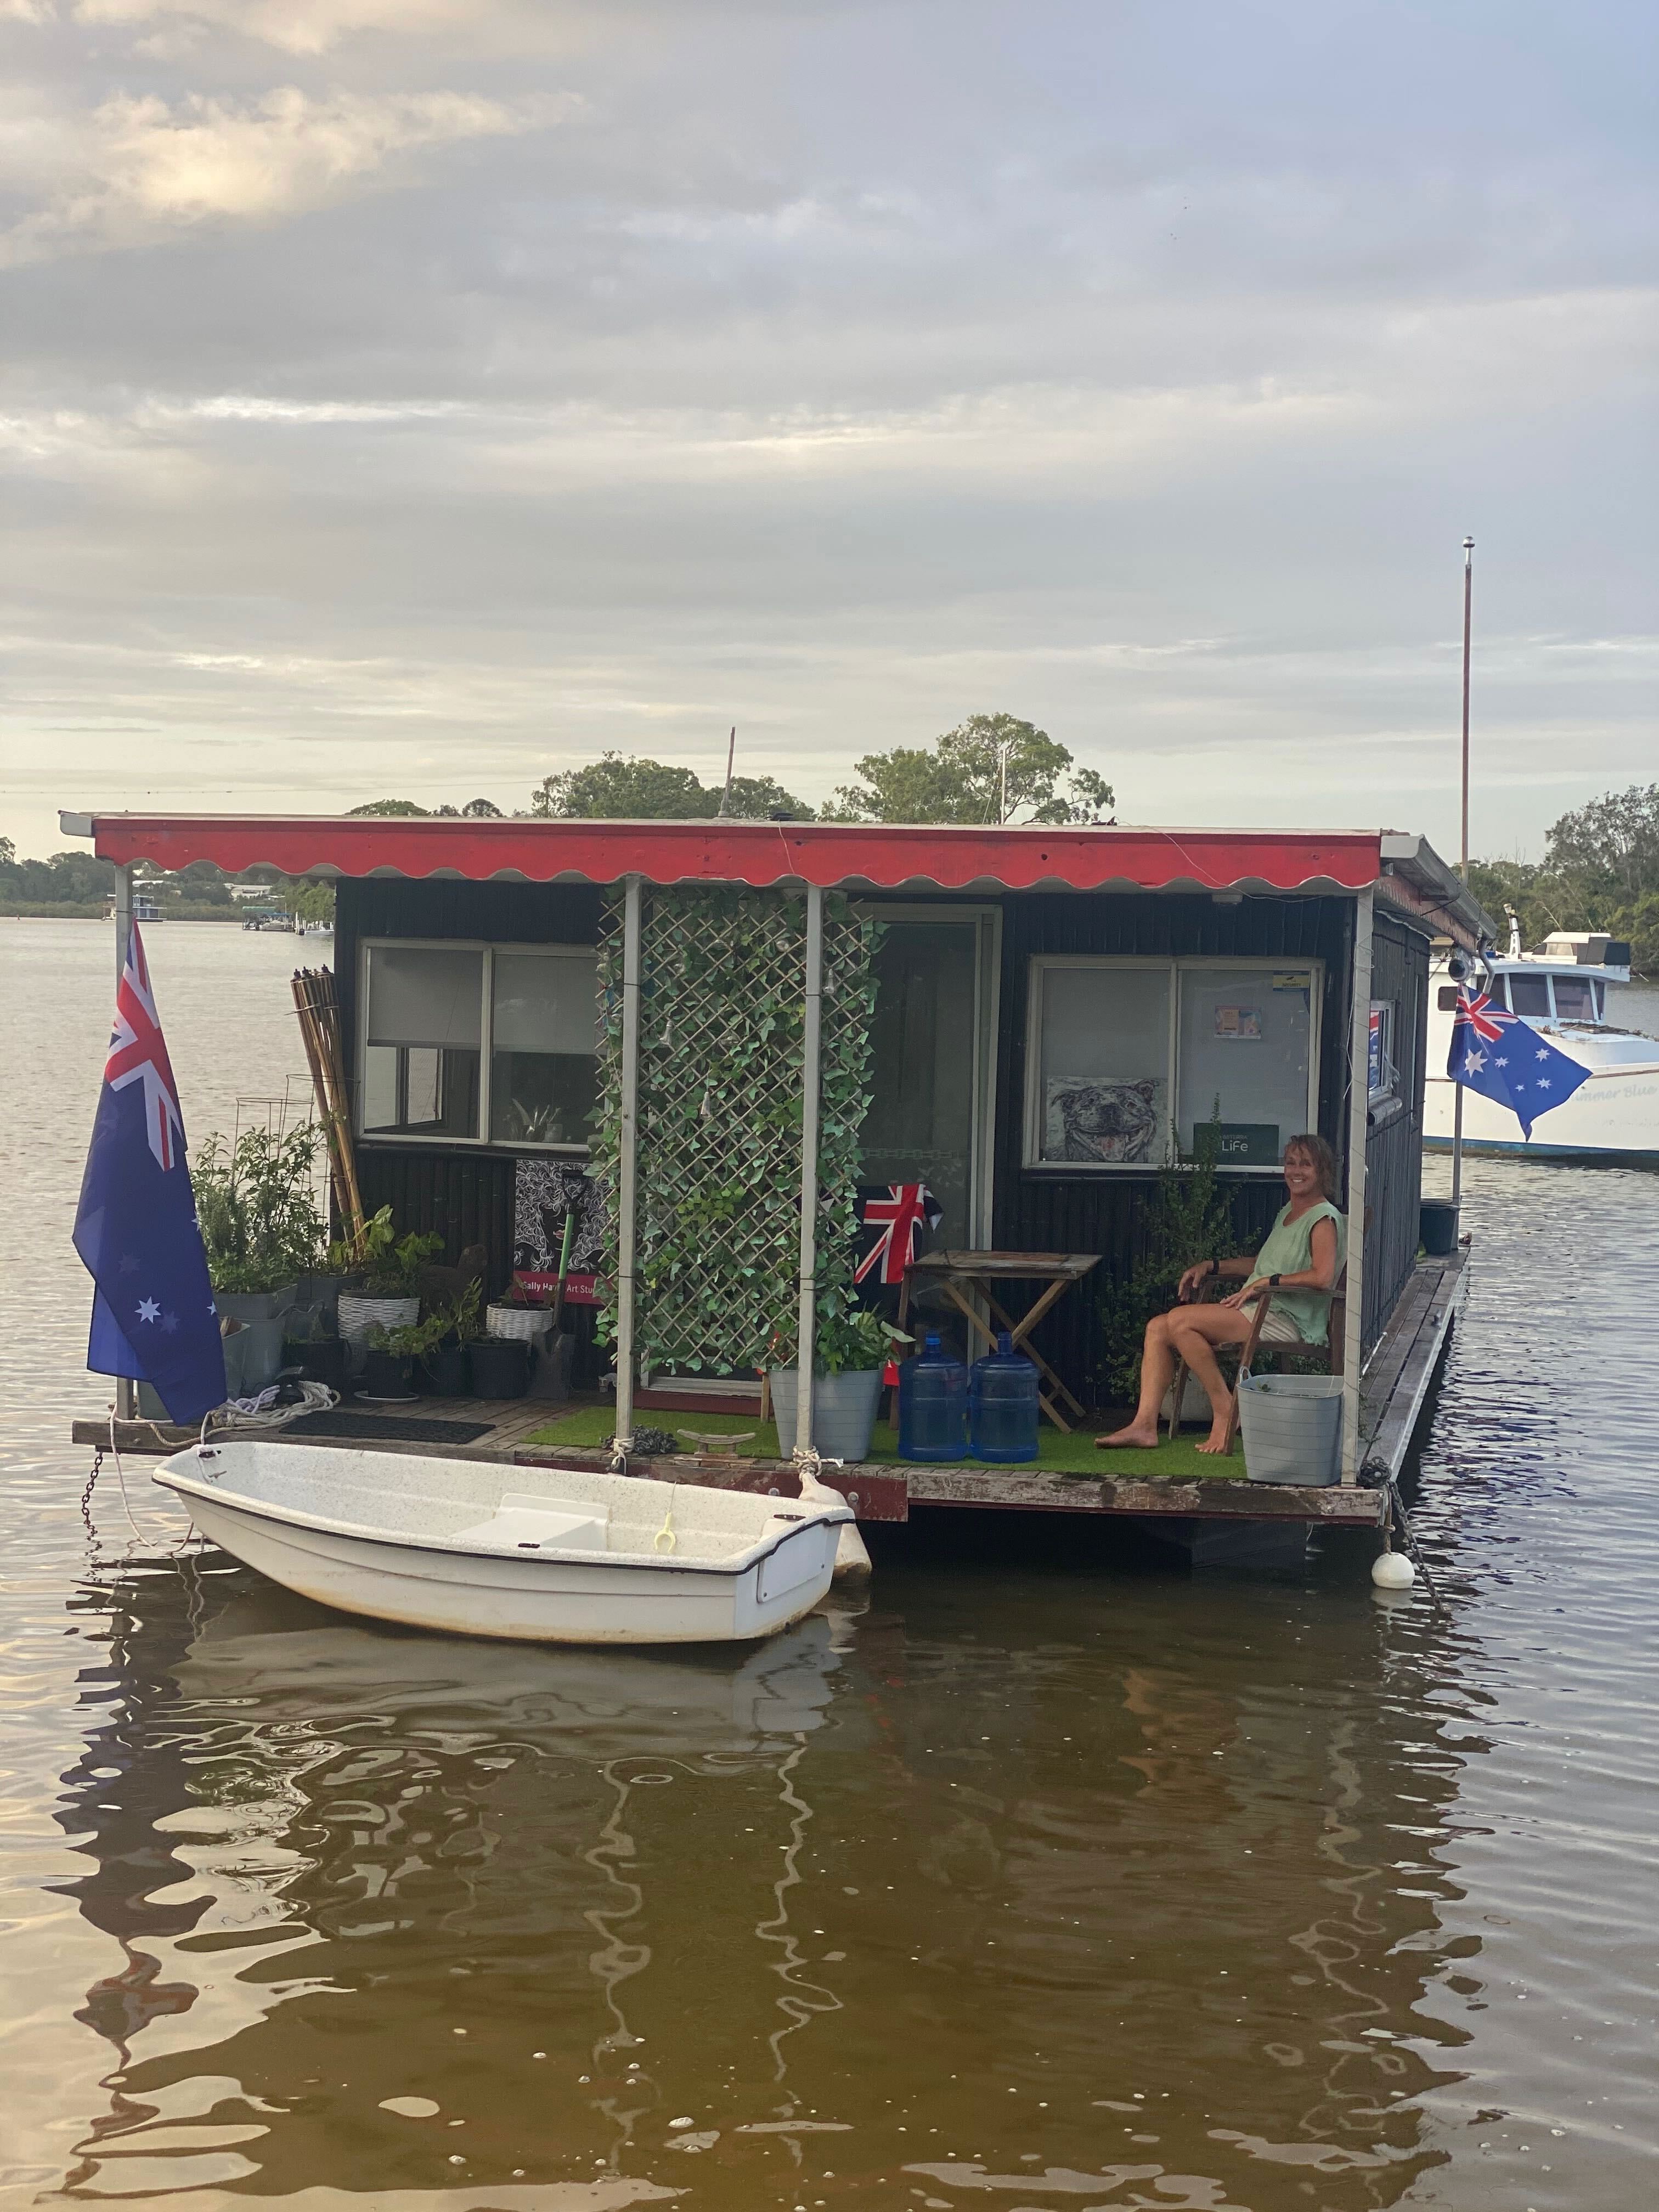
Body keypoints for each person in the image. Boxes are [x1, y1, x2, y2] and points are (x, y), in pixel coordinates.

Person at [1096, 1133, 1347, 1455]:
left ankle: (1226, 1409)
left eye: (1306, 1164)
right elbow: (1262, 1264)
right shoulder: (1289, 1212)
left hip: (1288, 1316)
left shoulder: (1323, 1217)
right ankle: (1144, 1426)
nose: (1296, 1171)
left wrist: (1265, 1283)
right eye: (1290, 1163)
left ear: (1322, 1171)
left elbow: (1323, 1277)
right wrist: (1212, 1265)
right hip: (1260, 1307)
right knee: (1158, 1327)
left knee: (1181, 1322)